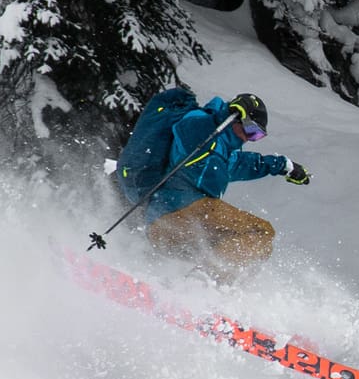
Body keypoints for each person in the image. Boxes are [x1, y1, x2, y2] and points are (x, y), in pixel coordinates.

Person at [119, 91, 309, 274]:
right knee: (262, 231)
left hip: (173, 231)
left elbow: (247, 163)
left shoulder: (223, 155)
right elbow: (189, 131)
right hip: (176, 212)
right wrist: (223, 116)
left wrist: (284, 165)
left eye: (257, 136)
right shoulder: (203, 130)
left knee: (254, 251)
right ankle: (203, 280)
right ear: (238, 117)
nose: (249, 138)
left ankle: (214, 296)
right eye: (251, 130)